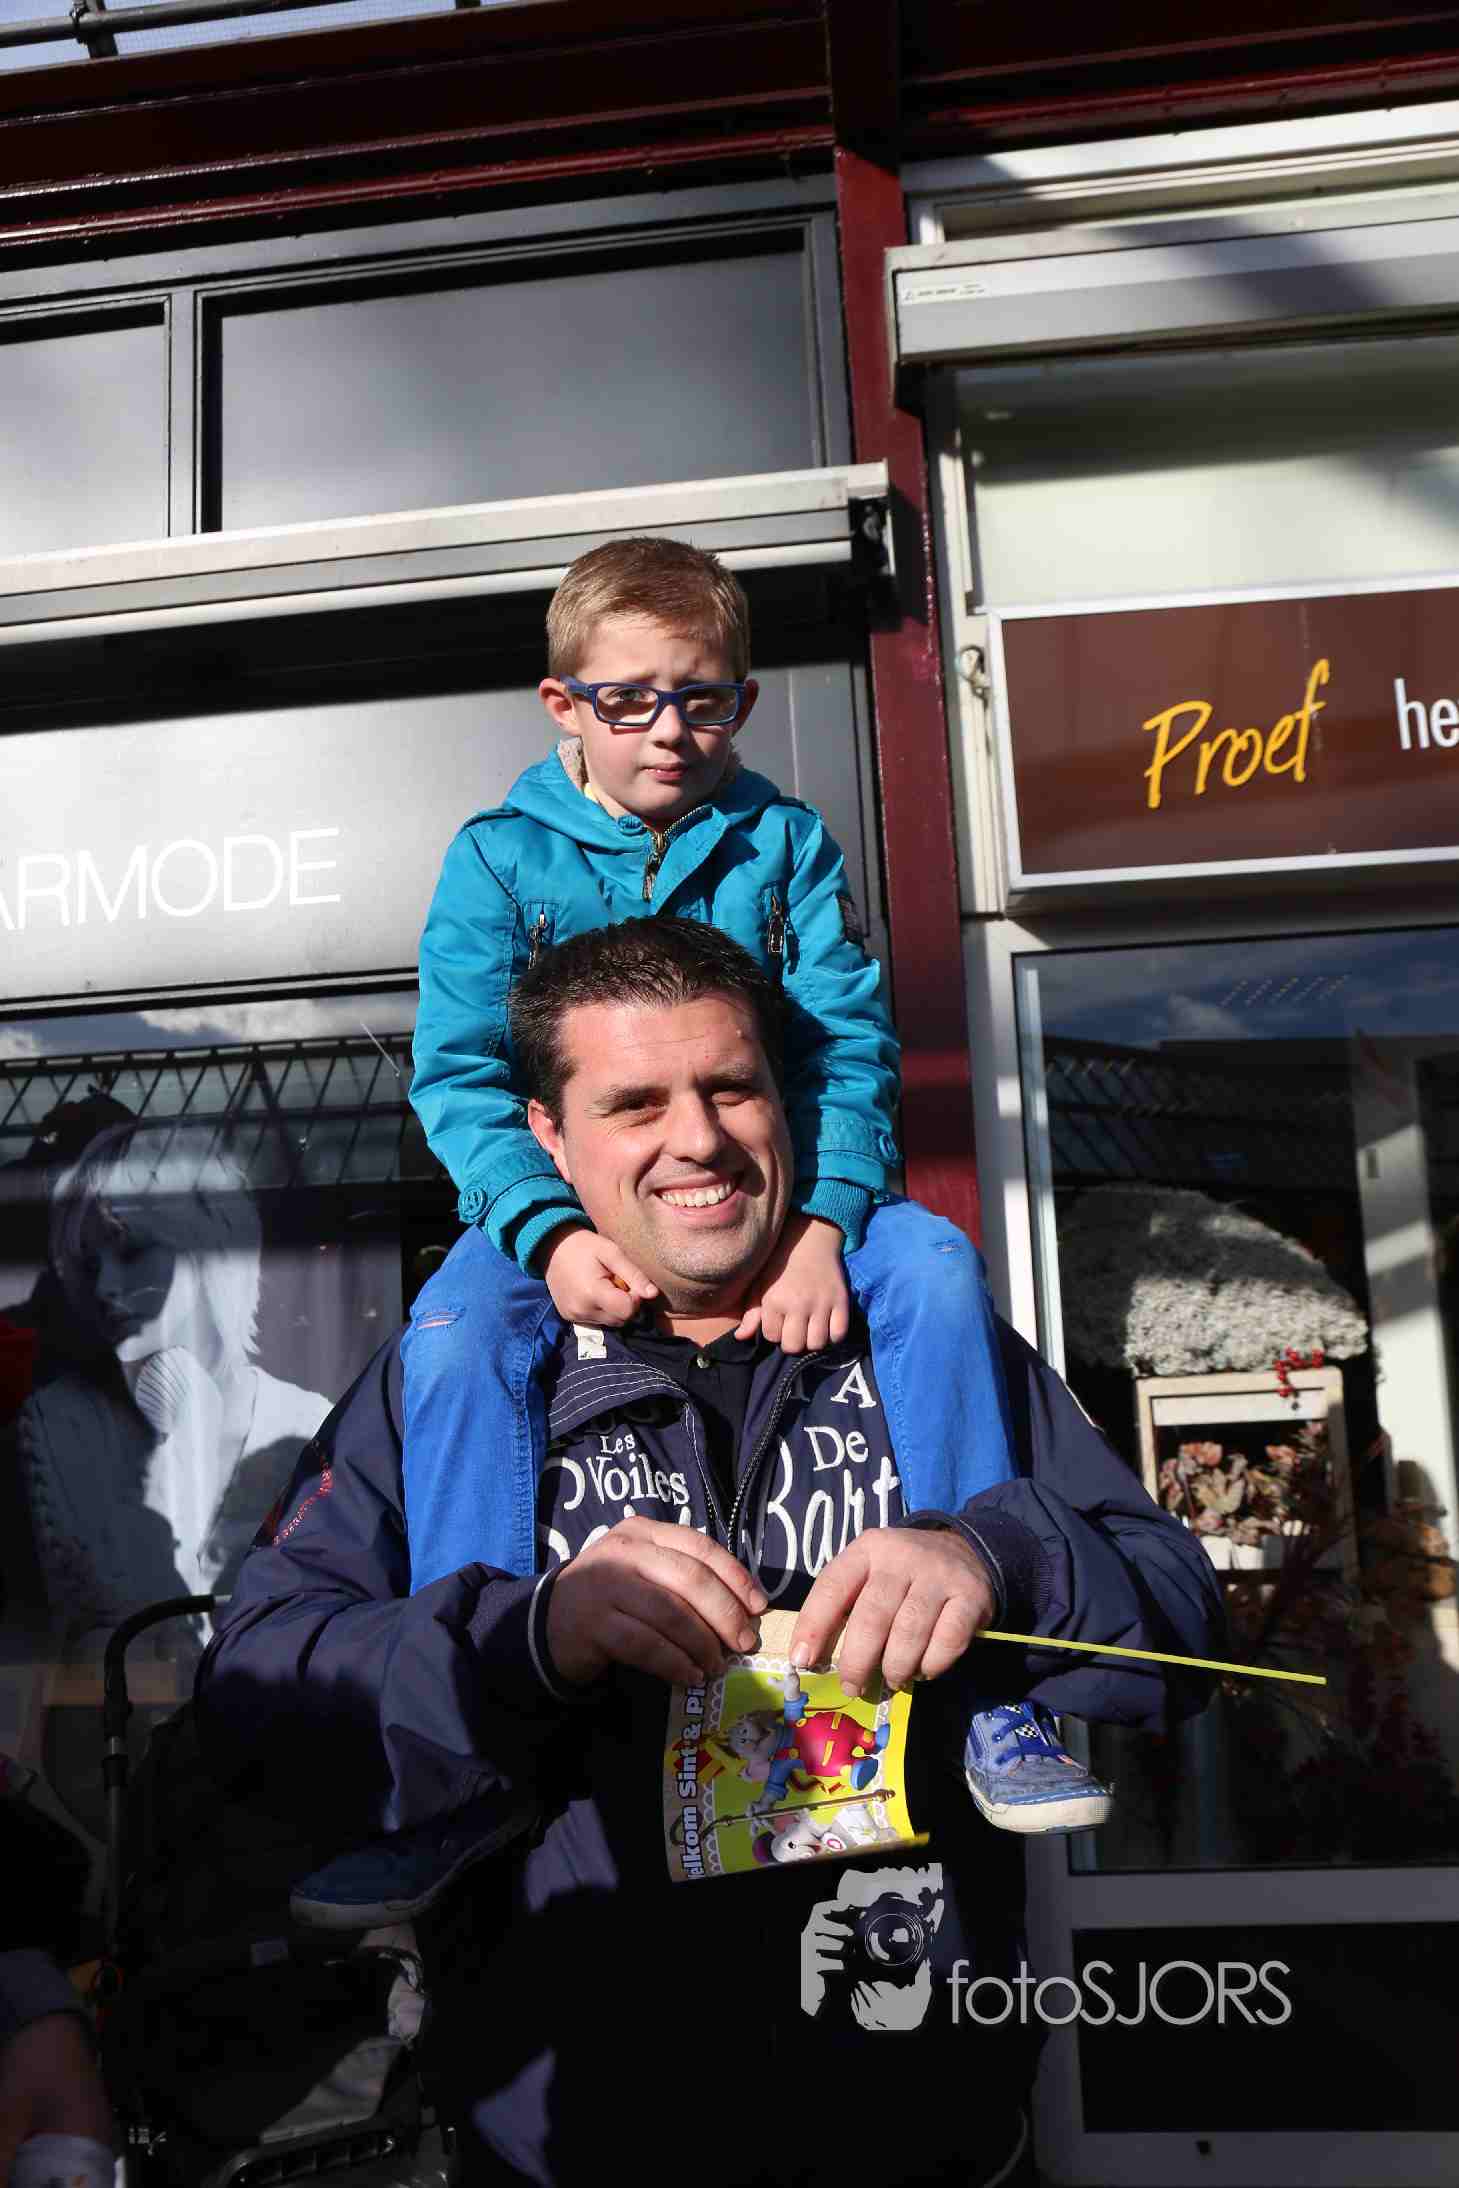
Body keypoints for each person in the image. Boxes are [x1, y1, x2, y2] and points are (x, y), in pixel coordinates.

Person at [195, 920, 1227, 2188]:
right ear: (547, 1135)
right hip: (569, 2142)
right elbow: (254, 1690)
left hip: (927, 2138)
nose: (697, 1139)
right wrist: (528, 1636)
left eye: (730, 1088)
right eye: (634, 1104)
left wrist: (1000, 1557)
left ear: (783, 1100)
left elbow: (1182, 1615)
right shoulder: (455, 1373)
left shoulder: (924, 1335)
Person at [397, 535, 1099, 1901]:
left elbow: (845, 1046)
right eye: (628, 700)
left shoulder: (785, 842)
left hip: (785, 1201)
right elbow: (458, 1077)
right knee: (451, 1336)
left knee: (932, 1264)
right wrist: (546, 1231)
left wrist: (827, 1223)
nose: (669, 729)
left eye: (702, 698)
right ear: (563, 706)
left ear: (744, 701)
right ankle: (459, 1741)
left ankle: (992, 1693)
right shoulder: (495, 861)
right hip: (566, 1215)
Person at [20, 1122, 332, 1635]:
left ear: (211, 1248)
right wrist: (189, 1434)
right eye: (89, 1263)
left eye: (132, 1251)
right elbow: (112, 1621)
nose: (105, 1285)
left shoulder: (310, 1420)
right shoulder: (62, 1425)